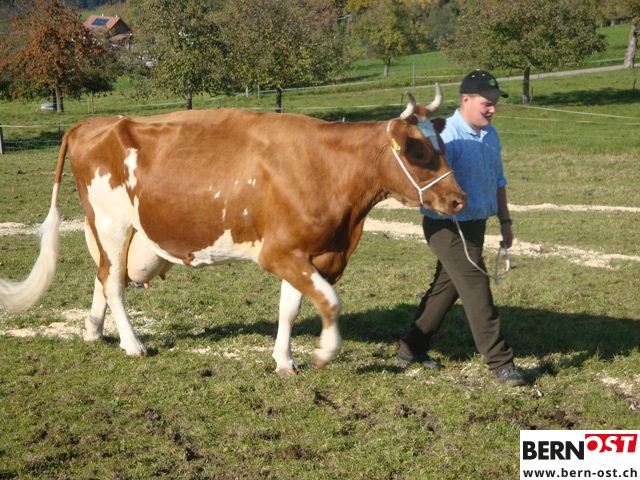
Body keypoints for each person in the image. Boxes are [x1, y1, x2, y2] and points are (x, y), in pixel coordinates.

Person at [396, 70, 525, 387]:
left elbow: (499, 181)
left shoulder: (490, 134)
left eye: (495, 103)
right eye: (487, 103)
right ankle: (501, 363)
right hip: (446, 228)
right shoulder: (444, 136)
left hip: (476, 225)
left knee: (447, 287)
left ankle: (411, 347)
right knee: (476, 285)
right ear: (466, 99)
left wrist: (505, 221)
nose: (492, 109)